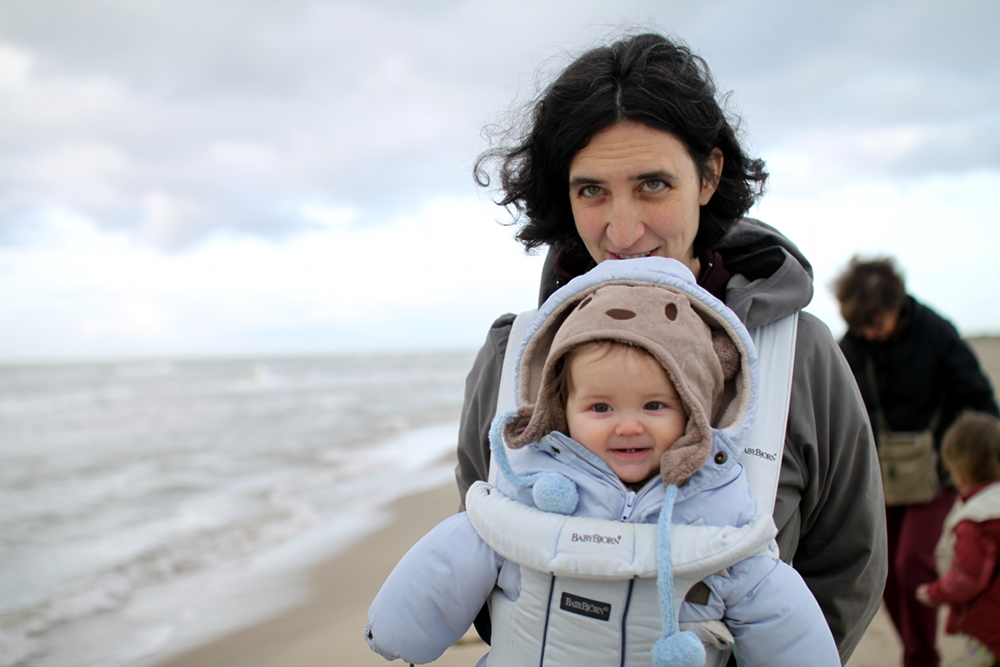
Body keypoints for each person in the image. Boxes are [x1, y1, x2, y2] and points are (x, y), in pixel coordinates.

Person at [457, 31, 886, 664]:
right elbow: (479, 552)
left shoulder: (799, 356)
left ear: (709, 175)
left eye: (653, 184)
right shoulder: (511, 355)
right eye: (591, 190)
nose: (623, 230)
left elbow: (848, 565)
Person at [366, 257, 840, 666]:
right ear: (561, 411)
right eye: (600, 407)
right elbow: (460, 553)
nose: (628, 426)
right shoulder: (528, 489)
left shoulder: (717, 507)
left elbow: (770, 600)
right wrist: (402, 631)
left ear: (695, 412)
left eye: (654, 406)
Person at [835, 256, 1000, 667]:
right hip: (878, 473)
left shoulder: (936, 332)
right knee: (882, 569)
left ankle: (921, 658)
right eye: (862, 327)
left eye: (876, 323)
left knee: (912, 562)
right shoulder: (852, 344)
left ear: (896, 304)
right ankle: (916, 650)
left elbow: (980, 399)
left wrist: (973, 467)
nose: (870, 333)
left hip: (936, 472)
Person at [916, 412, 1000, 666]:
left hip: (991, 628)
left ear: (960, 472)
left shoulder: (975, 520)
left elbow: (967, 576)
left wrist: (935, 592)